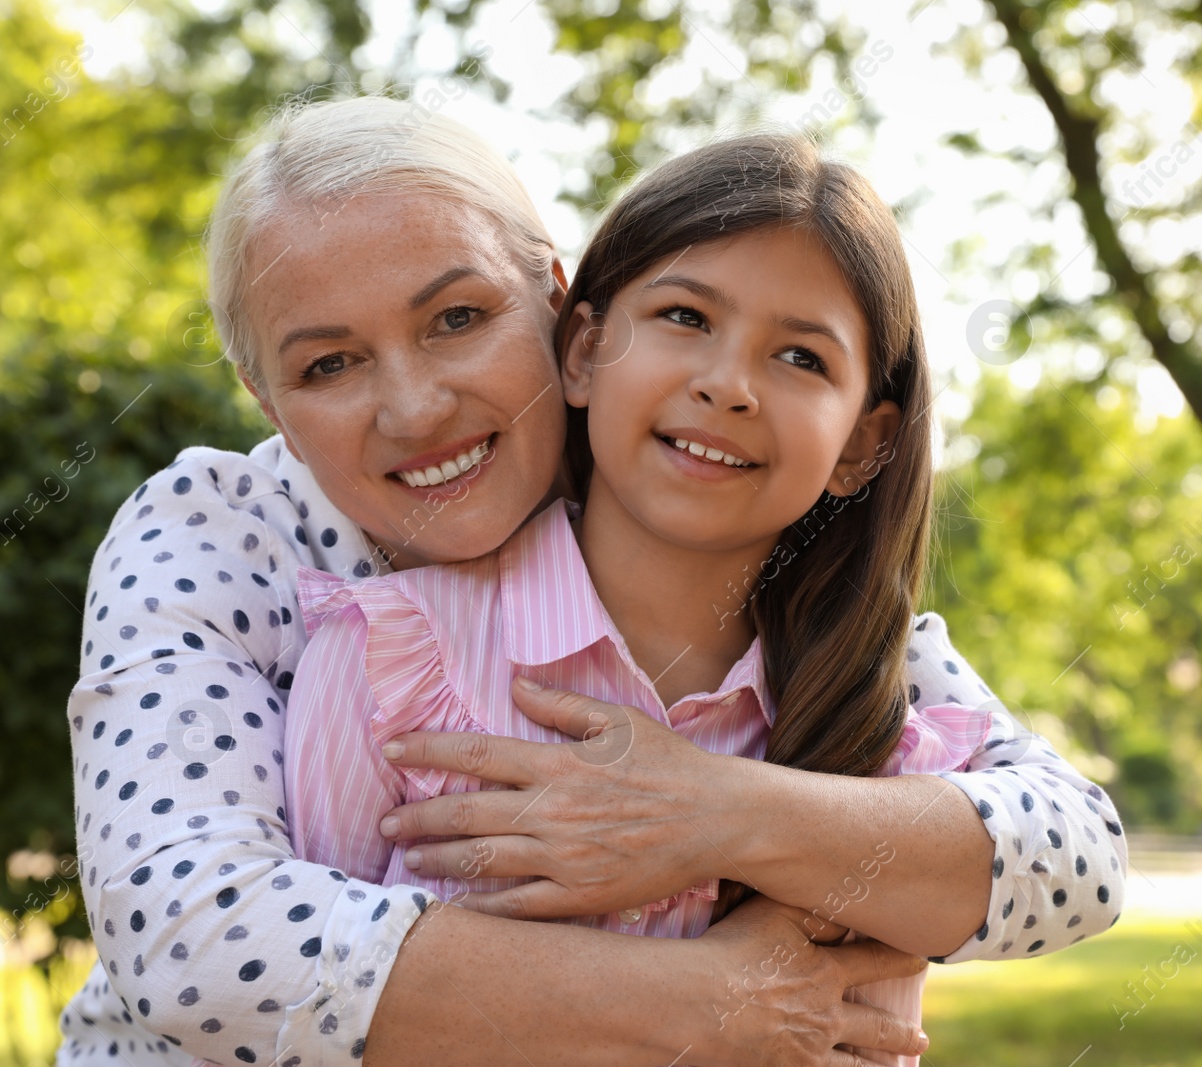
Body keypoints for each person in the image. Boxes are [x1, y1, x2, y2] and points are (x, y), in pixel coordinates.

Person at [60, 98, 1127, 1067]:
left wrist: (714, 810)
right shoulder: (226, 534)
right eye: (327, 364)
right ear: (262, 396)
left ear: (558, 310)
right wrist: (713, 1000)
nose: (417, 405)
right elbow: (191, 930)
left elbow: (1070, 849)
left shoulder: (705, 508)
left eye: (458, 318)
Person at [286, 133, 1038, 1066]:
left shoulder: (886, 757)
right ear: (586, 350)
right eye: (686, 315)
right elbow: (296, 1013)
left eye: (801, 358)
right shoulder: (389, 660)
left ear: (862, 445)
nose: (726, 385)